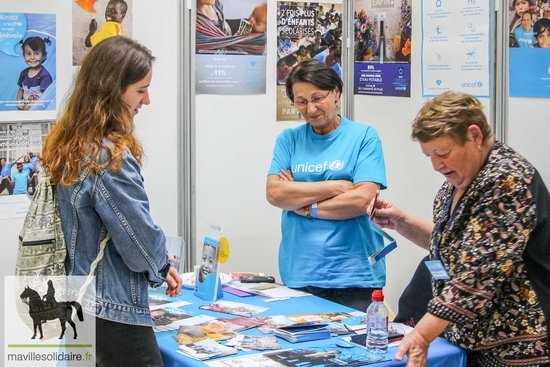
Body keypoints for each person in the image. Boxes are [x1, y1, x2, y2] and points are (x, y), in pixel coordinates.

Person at [370, 91, 550, 366]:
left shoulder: (506, 180)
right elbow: (455, 247)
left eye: (443, 153)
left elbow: (477, 275)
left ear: (475, 136)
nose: (436, 165)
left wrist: (421, 335)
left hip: (515, 346)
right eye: (429, 155)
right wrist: (402, 222)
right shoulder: (458, 180)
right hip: (468, 340)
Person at [40, 36, 182, 367]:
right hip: (112, 309)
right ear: (112, 90)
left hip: (78, 303)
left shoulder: (69, 145)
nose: (146, 100)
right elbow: (136, 238)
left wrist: (159, 265)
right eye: (141, 89)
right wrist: (160, 264)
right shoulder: (105, 155)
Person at [266, 59, 387, 311]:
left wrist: (304, 204)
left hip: (354, 276)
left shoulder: (364, 136)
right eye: (301, 101)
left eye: (317, 98)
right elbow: (275, 193)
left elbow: (363, 200)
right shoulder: (289, 139)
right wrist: (338, 186)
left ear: (336, 93)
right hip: (300, 272)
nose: (310, 109)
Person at [196, 0, 267, 54]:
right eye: (252, 14)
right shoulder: (195, 23)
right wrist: (237, 38)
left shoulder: (216, 5)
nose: (251, 20)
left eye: (257, 21)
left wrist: (237, 38)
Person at [16, 37, 53, 111]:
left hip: (38, 111)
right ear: (24, 56)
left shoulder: (45, 75)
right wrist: (18, 101)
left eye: (36, 54)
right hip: (26, 111)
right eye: (28, 54)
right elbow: (21, 90)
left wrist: (29, 106)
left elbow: (45, 96)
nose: (32, 58)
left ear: (44, 55)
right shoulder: (24, 73)